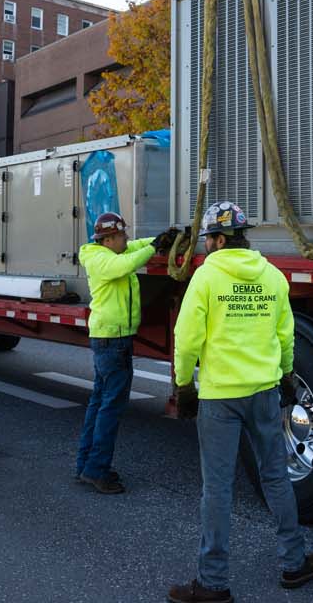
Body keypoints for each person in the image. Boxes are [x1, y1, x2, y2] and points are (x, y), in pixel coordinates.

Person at [168, 201, 313, 603]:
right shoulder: (272, 276)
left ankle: (212, 583)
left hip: (220, 397)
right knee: (276, 477)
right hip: (264, 393)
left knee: (218, 489)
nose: (206, 245)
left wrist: (184, 386)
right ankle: (295, 563)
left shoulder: (206, 277)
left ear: (220, 239)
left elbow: (187, 338)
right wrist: (286, 375)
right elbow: (285, 335)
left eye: (208, 239)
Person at [73, 212, 179, 494]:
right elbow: (126, 264)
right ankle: (97, 470)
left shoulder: (109, 251)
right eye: (122, 235)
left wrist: (162, 239)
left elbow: (135, 247)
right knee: (110, 407)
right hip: (113, 341)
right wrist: (154, 247)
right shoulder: (101, 259)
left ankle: (86, 465)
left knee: (99, 403)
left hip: (110, 340)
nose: (126, 239)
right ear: (108, 239)